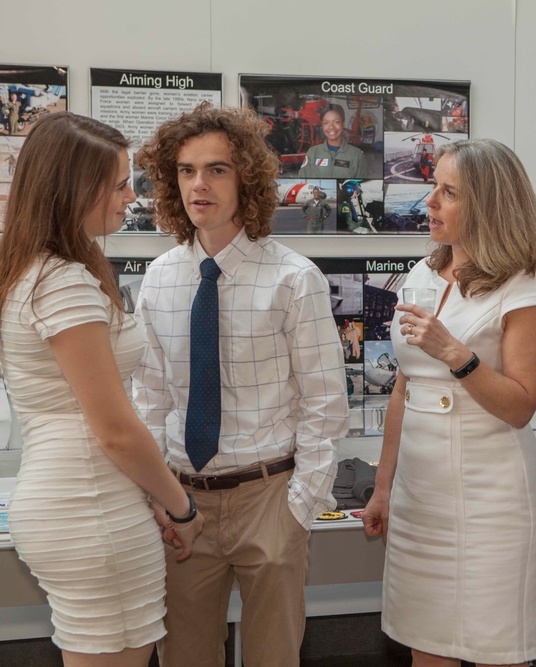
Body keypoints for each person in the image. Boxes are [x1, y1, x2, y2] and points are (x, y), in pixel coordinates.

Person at [0, 112, 204, 666]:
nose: (131, 196)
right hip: (89, 508)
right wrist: (180, 507)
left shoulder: (35, 270)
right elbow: (114, 430)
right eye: (120, 183)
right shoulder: (63, 282)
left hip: (80, 500)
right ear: (74, 188)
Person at [133, 102, 349, 667]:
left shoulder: (293, 278)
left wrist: (299, 508)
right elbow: (150, 397)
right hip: (183, 504)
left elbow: (326, 403)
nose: (198, 184)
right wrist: (159, 494)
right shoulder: (159, 278)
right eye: (185, 170)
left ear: (246, 178)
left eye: (216, 169)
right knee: (183, 657)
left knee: (274, 658)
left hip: (268, 498)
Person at [362, 138, 536, 667]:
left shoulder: (526, 284)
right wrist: (383, 488)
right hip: (419, 496)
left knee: (499, 646)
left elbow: (520, 406)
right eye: (434, 187)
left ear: (489, 204)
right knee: (426, 645)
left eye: (448, 192)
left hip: (491, 498)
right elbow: (406, 385)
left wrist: (455, 352)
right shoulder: (424, 273)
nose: (429, 202)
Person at [297, 104, 368, 179]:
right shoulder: (313, 152)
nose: (331, 127)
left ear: (343, 124)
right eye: (326, 123)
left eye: (336, 122)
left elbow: (361, 185)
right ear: (322, 126)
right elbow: (302, 180)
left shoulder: (357, 155)